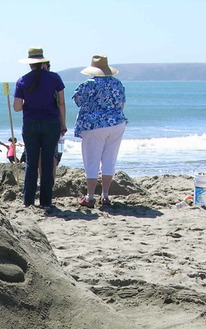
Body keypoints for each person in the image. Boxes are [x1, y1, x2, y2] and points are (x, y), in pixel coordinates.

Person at [12, 47, 66, 211]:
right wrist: (63, 123)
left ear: (30, 64)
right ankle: (46, 201)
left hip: (30, 123)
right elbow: (61, 103)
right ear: (43, 62)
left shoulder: (22, 80)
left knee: (31, 162)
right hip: (51, 122)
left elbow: (16, 107)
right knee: (48, 162)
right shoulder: (54, 78)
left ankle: (28, 200)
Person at [73, 55, 128, 208]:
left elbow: (78, 102)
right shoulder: (118, 84)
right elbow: (121, 105)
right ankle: (105, 195)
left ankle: (90, 197)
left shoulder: (88, 84)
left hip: (94, 125)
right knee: (109, 160)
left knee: (92, 161)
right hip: (117, 123)